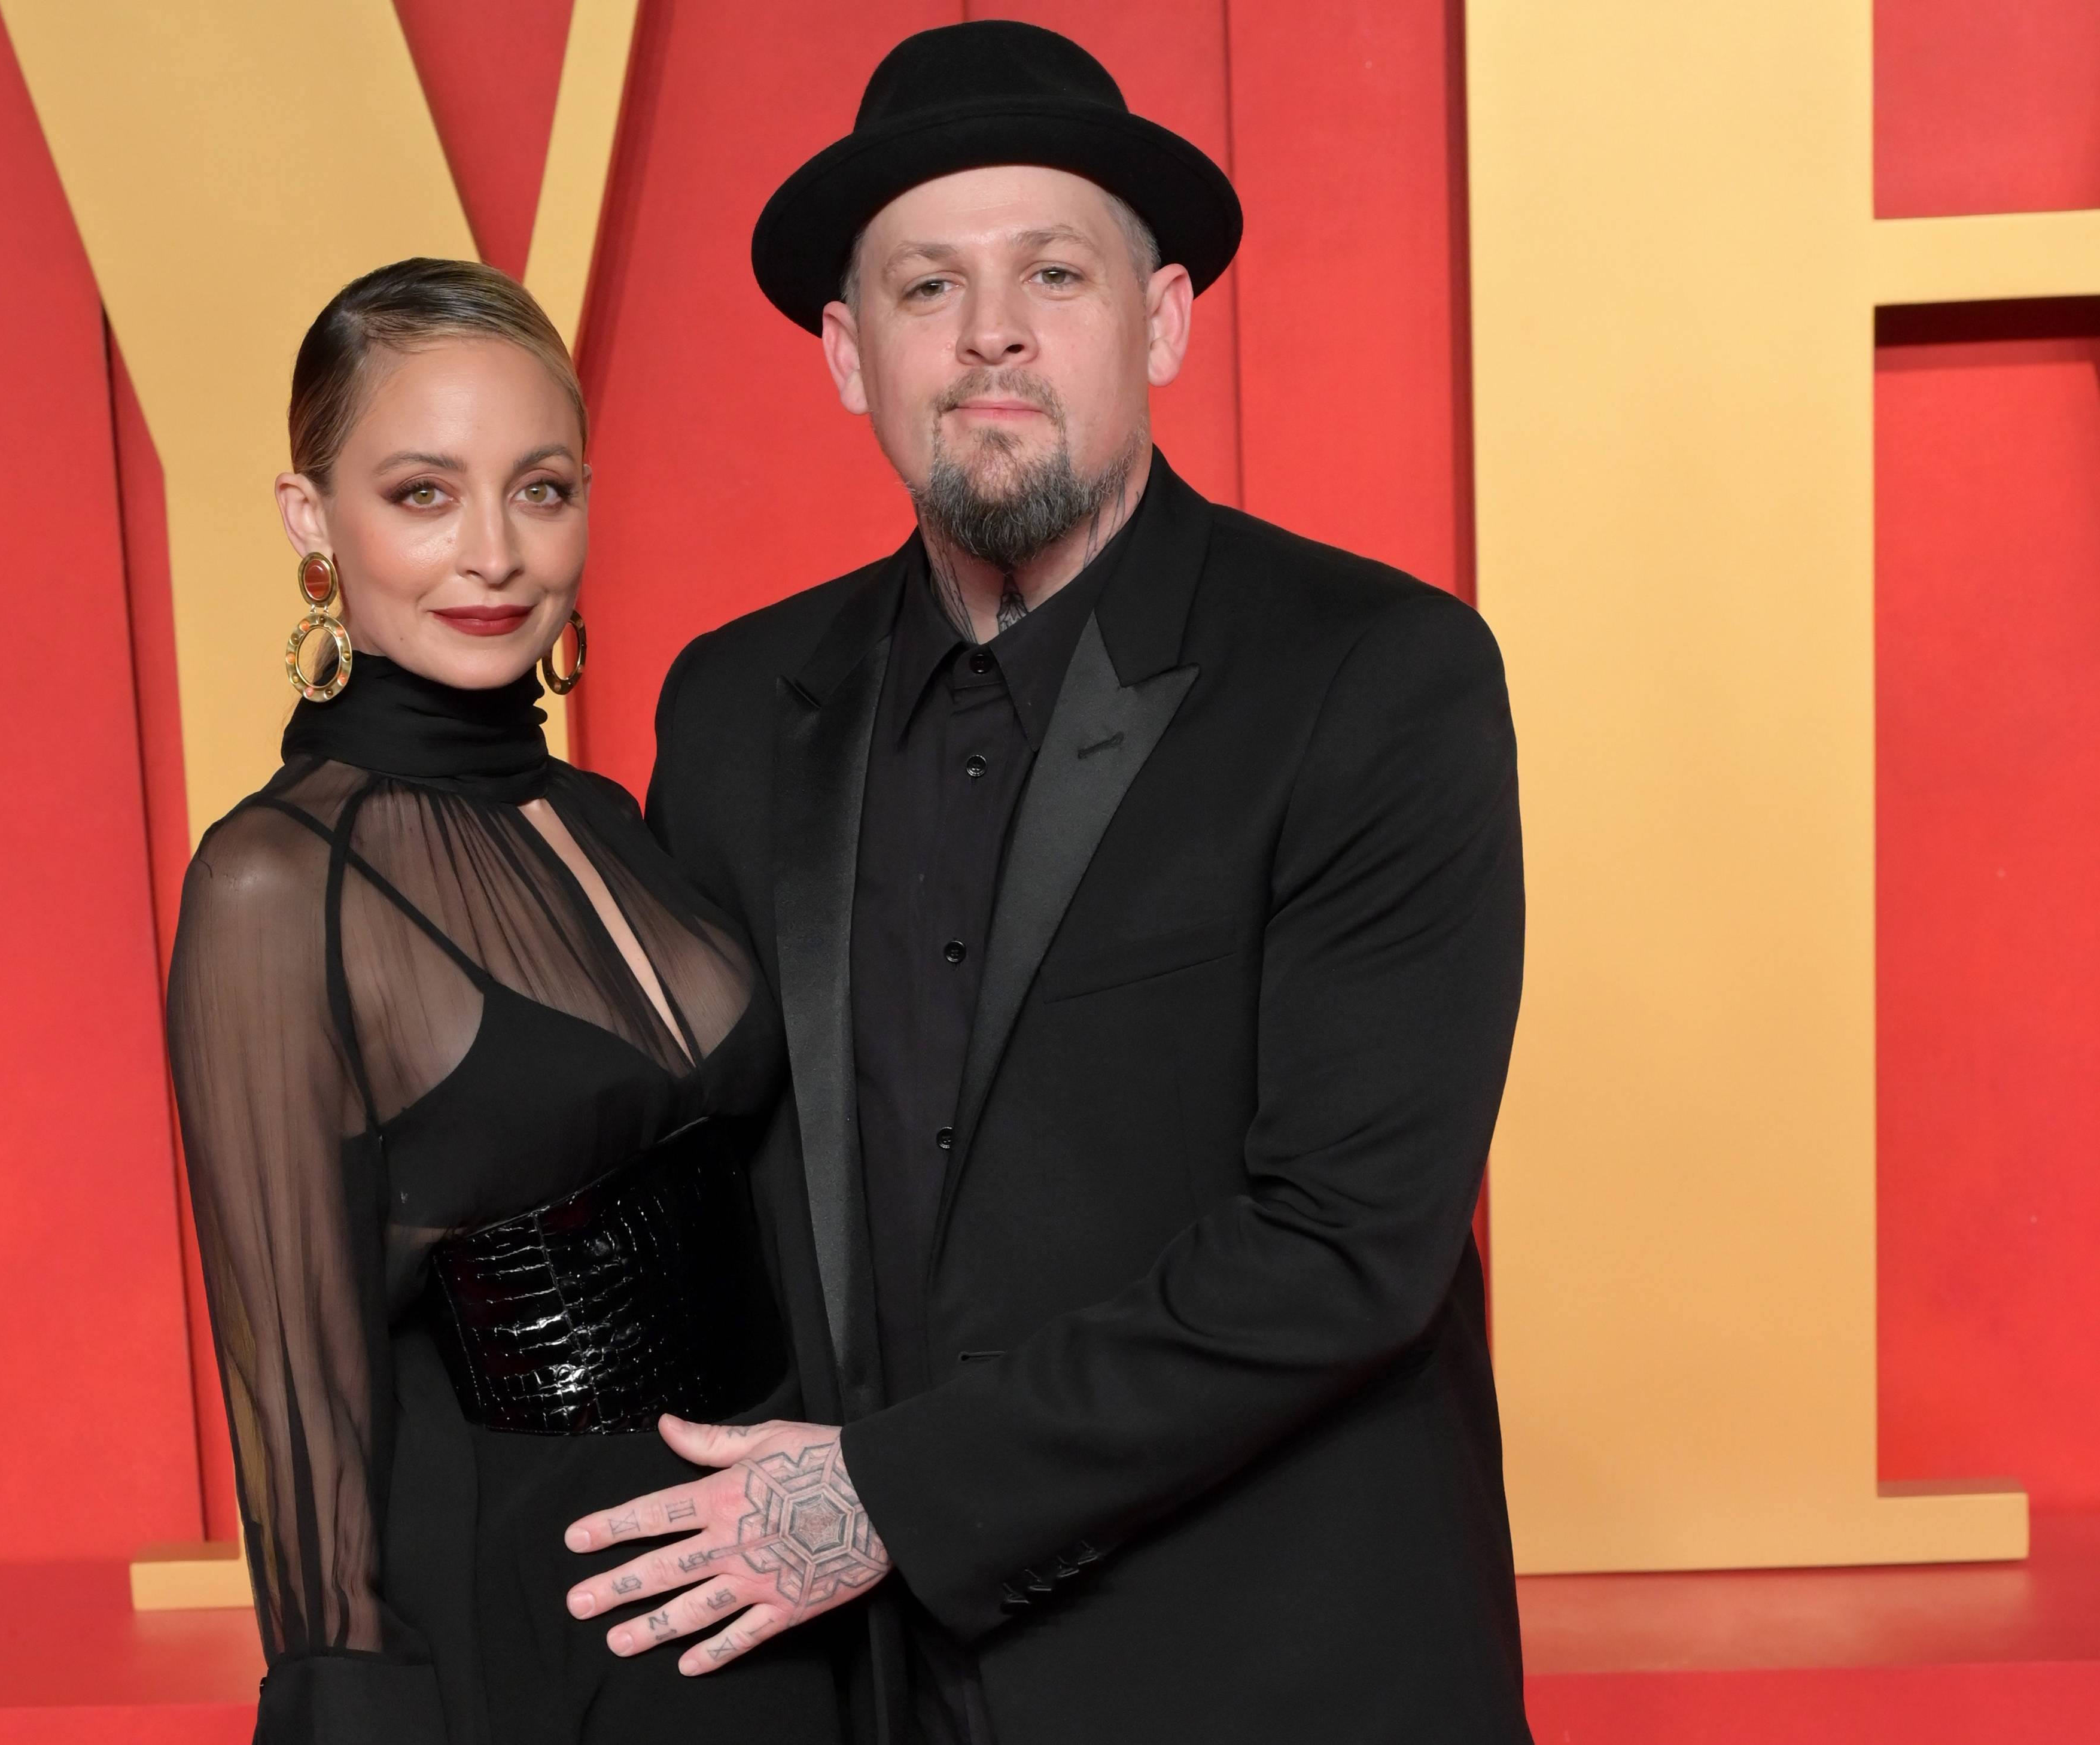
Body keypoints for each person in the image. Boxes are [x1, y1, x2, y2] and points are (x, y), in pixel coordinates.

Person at [562, 20, 1532, 1745]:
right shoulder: (729, 704)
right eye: (925, 287)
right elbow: (697, 1173)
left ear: (1156, 321)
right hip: (861, 1689)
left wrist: (884, 1495)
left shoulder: (1376, 673)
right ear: (850, 354)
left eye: (1054, 271)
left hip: (1277, 1675)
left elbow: (1344, 1244)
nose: (991, 330)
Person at [165, 259, 850, 1744]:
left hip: (784, 1585)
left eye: (539, 491)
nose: (492, 553)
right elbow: (301, 1409)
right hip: (546, 1630)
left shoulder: (610, 816)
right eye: (423, 493)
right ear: (312, 521)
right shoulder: (276, 887)